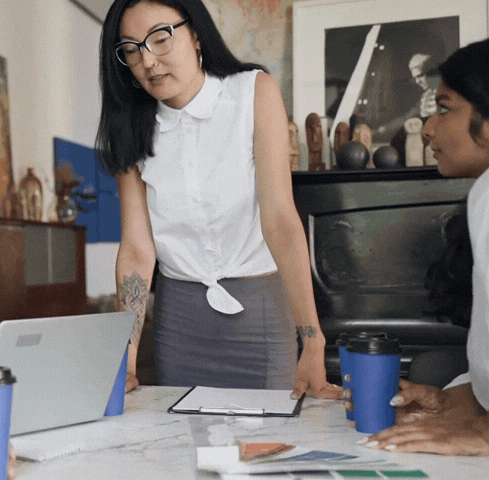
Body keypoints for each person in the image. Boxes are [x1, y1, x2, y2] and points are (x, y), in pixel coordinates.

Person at [96, 0, 339, 398]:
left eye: (160, 38)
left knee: (272, 433)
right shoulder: (129, 126)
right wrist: (127, 356)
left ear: (195, 34)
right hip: (179, 320)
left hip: (260, 310)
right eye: (131, 49)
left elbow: (279, 220)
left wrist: (312, 341)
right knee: (181, 434)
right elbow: (137, 249)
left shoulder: (253, 92)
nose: (149, 61)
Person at [367, 38, 489, 455]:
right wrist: (453, 402)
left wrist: (483, 435)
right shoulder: (483, 194)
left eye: (445, 108)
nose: (428, 127)